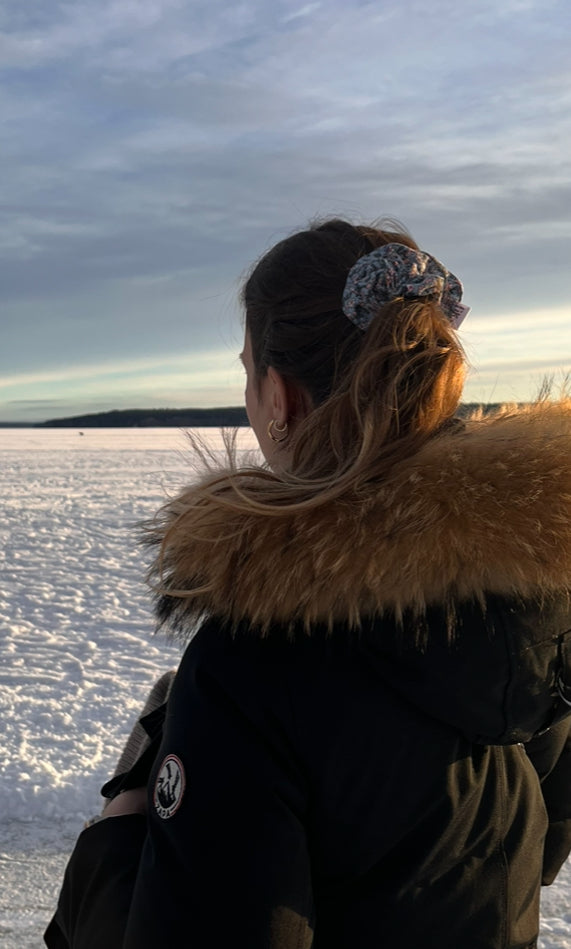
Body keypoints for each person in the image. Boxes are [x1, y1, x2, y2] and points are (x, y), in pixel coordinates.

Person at [45, 219, 571, 949]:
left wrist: (119, 835)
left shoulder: (258, 662)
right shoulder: (536, 582)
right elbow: (532, 841)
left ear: (279, 396)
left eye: (245, 369)